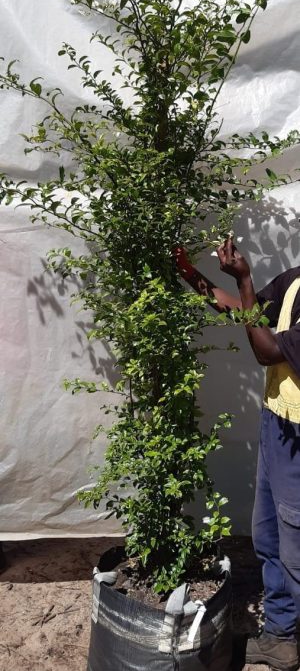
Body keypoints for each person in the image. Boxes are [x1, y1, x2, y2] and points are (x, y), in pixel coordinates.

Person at [174, 238, 300, 671]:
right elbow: (244, 312)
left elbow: (266, 350)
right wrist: (190, 273)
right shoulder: (295, 281)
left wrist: (245, 278)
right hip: (276, 423)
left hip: (299, 439)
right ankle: (281, 638)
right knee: (267, 536)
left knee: (297, 549)